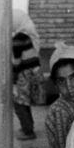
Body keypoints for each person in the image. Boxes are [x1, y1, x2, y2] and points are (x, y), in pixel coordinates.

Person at [11, 9, 43, 140]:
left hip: (24, 75)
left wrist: (13, 76)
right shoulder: (28, 34)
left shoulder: (19, 38)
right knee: (25, 101)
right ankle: (28, 127)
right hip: (33, 73)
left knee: (19, 104)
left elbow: (17, 62)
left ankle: (28, 131)